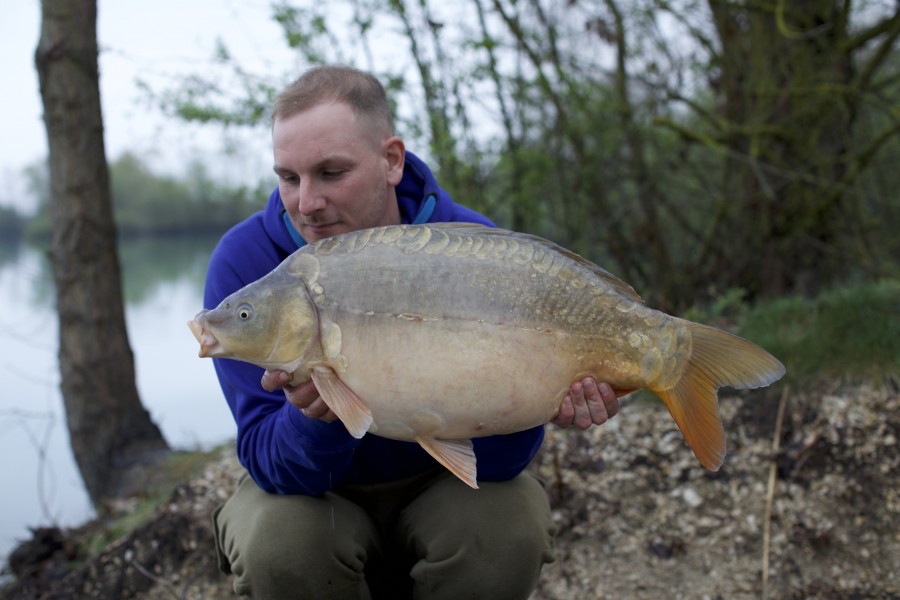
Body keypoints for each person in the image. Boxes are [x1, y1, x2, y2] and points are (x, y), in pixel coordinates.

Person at [206, 65, 619, 600]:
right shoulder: (249, 268)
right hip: (318, 499)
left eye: (331, 173)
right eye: (289, 177)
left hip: (442, 487)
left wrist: (542, 401)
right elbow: (268, 461)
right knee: (280, 542)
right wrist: (316, 418)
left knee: (507, 523)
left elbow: (502, 464)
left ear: (391, 160)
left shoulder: (477, 252)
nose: (306, 202)